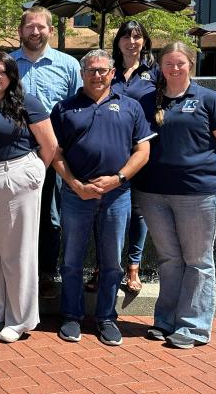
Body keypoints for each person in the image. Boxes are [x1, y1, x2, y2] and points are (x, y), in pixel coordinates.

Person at [136, 42, 216, 349]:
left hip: (199, 196)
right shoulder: (147, 101)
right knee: (169, 260)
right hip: (154, 195)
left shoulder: (210, 99)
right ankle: (166, 321)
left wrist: (203, 171)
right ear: (160, 66)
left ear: (190, 65)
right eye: (168, 63)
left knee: (197, 261)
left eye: (180, 63)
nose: (174, 68)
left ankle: (193, 327)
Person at [50, 50, 153, 347]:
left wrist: (117, 179)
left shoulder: (130, 107)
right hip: (75, 195)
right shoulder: (64, 108)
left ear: (111, 73)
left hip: (117, 196)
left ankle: (106, 318)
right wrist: (75, 183)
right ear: (82, 74)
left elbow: (142, 152)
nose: (97, 75)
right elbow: (55, 153)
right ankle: (71, 315)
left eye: (103, 70)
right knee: (71, 260)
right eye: (91, 70)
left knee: (112, 263)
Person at [0, 53, 57, 343]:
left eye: (3, 72)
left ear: (12, 76)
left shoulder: (26, 103)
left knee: (18, 253)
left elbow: (50, 144)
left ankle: (19, 320)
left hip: (16, 176)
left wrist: (33, 175)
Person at [11, 6, 81, 299]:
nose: (35, 32)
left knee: (51, 217)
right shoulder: (8, 64)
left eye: (41, 27)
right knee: (14, 216)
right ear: (21, 30)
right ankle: (15, 272)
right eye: (30, 27)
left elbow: (79, 108)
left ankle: (45, 273)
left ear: (51, 31)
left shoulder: (68, 65)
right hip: (14, 155)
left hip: (55, 155)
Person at [85, 21, 160, 294]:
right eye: (126, 36)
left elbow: (169, 98)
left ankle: (133, 267)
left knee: (138, 211)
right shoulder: (109, 70)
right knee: (101, 208)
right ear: (118, 42)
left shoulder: (154, 72)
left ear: (144, 41)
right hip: (111, 148)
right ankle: (101, 266)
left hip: (142, 151)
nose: (132, 41)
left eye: (138, 36)